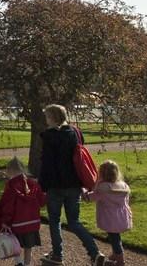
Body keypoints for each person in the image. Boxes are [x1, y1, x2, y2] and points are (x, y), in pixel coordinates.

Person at [38, 104, 106, 266]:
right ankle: (94, 252)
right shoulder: (74, 133)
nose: (46, 120)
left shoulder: (48, 136)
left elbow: (47, 164)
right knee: (74, 222)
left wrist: (42, 185)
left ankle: (58, 255)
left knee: (54, 221)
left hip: (55, 185)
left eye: (47, 117)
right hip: (73, 184)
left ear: (53, 118)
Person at [0, 157, 47, 266]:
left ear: (9, 171)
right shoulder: (33, 184)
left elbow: (8, 207)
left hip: (17, 223)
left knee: (14, 245)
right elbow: (41, 202)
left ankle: (19, 263)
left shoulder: (11, 186)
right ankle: (27, 264)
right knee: (28, 247)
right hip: (32, 222)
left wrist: (6, 221)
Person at [83, 160, 133, 266]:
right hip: (121, 217)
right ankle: (116, 255)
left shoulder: (103, 188)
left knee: (114, 238)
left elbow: (90, 198)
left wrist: (83, 191)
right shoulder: (123, 185)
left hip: (110, 218)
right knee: (116, 237)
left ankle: (120, 260)